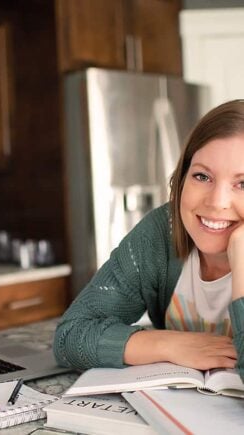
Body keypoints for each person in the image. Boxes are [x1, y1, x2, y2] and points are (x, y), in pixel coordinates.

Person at [53, 99, 244, 381]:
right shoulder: (160, 233)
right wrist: (167, 343)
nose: (217, 202)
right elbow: (71, 335)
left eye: (243, 183)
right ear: (181, 179)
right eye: (202, 176)